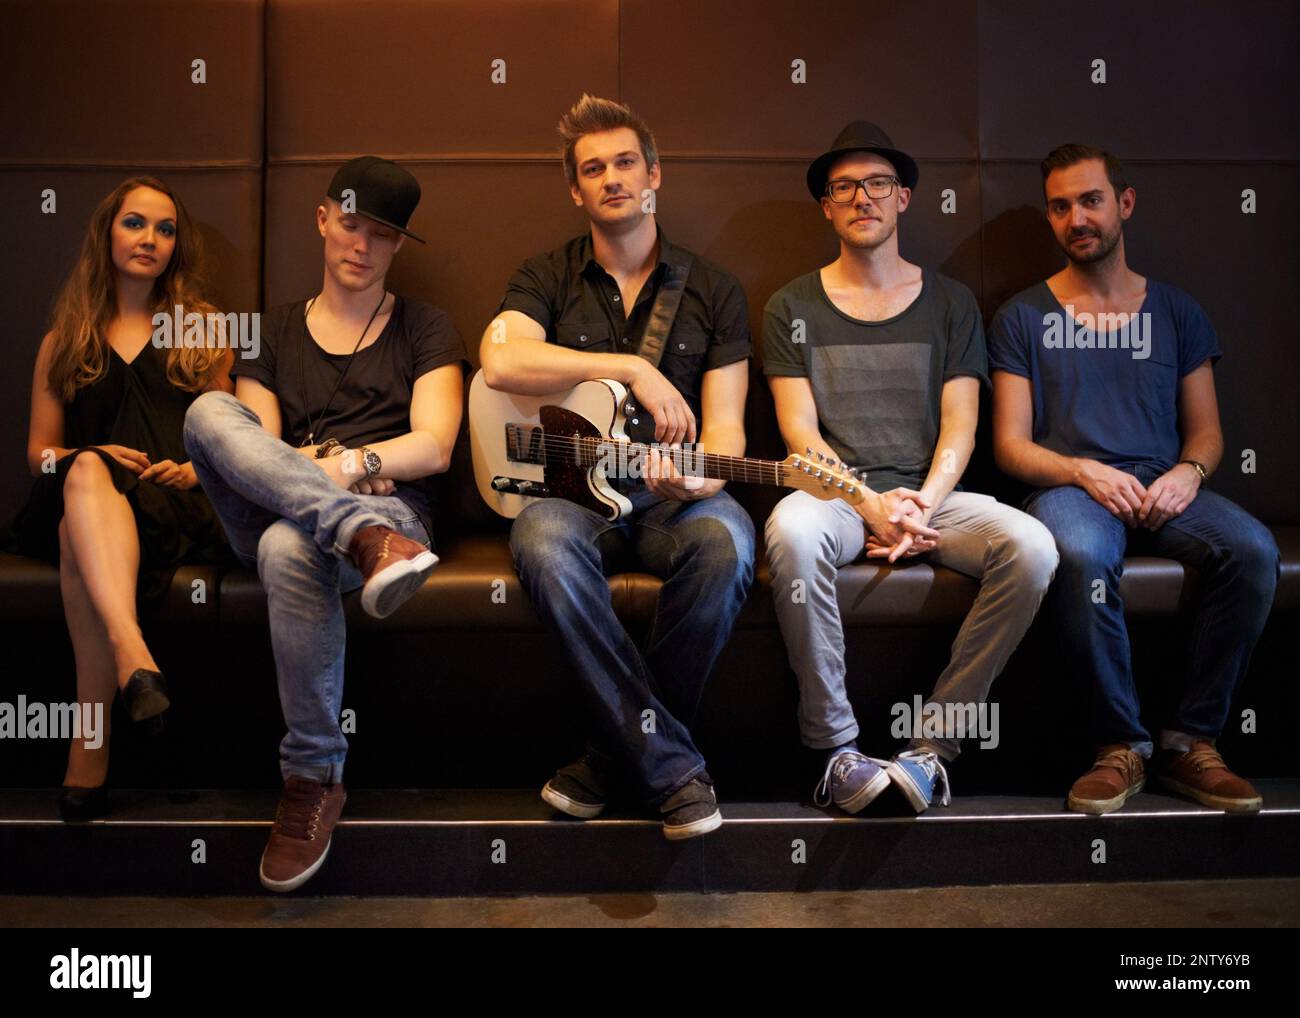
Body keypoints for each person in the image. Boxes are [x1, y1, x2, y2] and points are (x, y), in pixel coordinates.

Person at [183, 156, 466, 890]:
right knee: (207, 413)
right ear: (321, 219)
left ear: (398, 246)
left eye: (381, 235)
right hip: (346, 524)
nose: (361, 245)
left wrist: (339, 467)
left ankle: (311, 779)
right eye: (350, 224)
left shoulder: (426, 327)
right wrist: (344, 476)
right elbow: (257, 455)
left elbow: (433, 447)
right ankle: (360, 538)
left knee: (287, 545)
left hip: (393, 515)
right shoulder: (273, 330)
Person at [479, 95, 755, 840]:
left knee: (727, 545)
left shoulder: (715, 290)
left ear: (655, 173)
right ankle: (673, 771)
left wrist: (705, 477)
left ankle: (612, 756)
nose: (611, 178)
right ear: (576, 190)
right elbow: (500, 359)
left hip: (673, 502)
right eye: (592, 169)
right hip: (571, 497)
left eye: (625, 162)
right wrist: (631, 366)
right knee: (540, 544)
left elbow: (725, 429)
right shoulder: (546, 276)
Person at [763, 122, 1059, 815]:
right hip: (836, 497)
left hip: (932, 499)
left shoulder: (951, 302)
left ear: (904, 198)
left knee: (1034, 547)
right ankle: (837, 751)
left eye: (878, 184)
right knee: (792, 535)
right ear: (828, 208)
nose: (862, 197)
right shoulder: (791, 306)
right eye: (845, 188)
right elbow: (800, 436)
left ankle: (933, 750)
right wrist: (869, 503)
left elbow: (961, 425)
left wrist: (918, 504)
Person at [988, 144, 1279, 815]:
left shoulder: (1177, 311)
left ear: (1124, 203)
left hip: (1163, 487)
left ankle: (1190, 744)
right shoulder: (1022, 317)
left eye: (1090, 200)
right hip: (1070, 489)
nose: (1076, 217)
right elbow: (1010, 445)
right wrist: (1082, 471)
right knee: (1083, 554)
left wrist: (1190, 471)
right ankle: (1119, 746)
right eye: (1060, 206)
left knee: (1254, 551)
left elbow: (1207, 432)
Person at [10, 176, 233, 821]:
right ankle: (132, 655)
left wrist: (195, 470)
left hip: (172, 505)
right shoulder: (64, 340)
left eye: (165, 230)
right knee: (82, 475)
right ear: (107, 233)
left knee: (74, 533)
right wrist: (90, 456)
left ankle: (92, 745)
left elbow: (236, 437)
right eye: (136, 223)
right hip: (88, 503)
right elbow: (39, 456)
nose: (150, 240)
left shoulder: (204, 329)